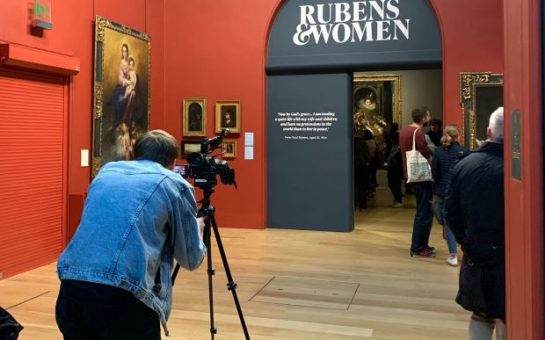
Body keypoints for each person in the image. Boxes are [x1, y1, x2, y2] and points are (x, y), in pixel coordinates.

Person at [55, 130, 207, 339]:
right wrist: (197, 230)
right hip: (124, 297)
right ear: (172, 162)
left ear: (134, 155)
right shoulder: (175, 183)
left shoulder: (106, 173)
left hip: (71, 287)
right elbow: (190, 259)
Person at [445, 107, 505, 339]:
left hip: (476, 251)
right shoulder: (525, 167)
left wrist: (464, 242)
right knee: (507, 313)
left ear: (489, 131)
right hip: (510, 255)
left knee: (481, 314)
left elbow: (451, 211)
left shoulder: (465, 165)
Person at [431, 125, 469, 266]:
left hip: (443, 192)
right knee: (464, 223)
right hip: (460, 191)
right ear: (458, 136)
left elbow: (434, 173)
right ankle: (467, 252)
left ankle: (453, 256)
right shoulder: (464, 152)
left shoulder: (438, 152)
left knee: (448, 225)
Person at [399, 107, 434, 257]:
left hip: (411, 174)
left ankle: (421, 245)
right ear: (423, 118)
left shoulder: (404, 131)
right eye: (428, 116)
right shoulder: (418, 132)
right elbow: (425, 151)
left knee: (422, 211)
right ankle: (418, 247)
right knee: (424, 213)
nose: (430, 118)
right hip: (422, 176)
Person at [386, 122, 403, 207]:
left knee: (393, 182)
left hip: (394, 163)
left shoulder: (390, 137)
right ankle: (398, 199)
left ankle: (398, 200)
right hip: (397, 163)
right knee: (396, 182)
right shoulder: (399, 136)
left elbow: (389, 150)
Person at [354, 129, 371, 211]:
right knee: (362, 187)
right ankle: (362, 206)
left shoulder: (349, 143)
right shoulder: (364, 144)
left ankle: (352, 205)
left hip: (352, 168)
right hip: (362, 167)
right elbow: (368, 157)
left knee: (352, 187)